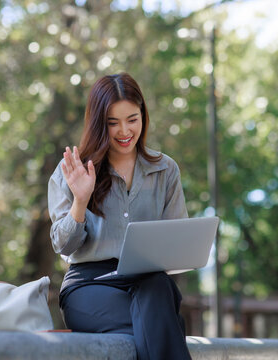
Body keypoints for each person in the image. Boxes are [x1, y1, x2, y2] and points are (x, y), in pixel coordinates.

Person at [47, 72, 191, 360]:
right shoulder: (72, 171)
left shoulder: (165, 170)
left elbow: (178, 247)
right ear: (99, 124)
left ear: (143, 116)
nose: (124, 131)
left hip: (148, 285)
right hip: (89, 288)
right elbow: (63, 246)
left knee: (158, 290)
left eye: (132, 119)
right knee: (162, 325)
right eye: (113, 123)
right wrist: (81, 200)